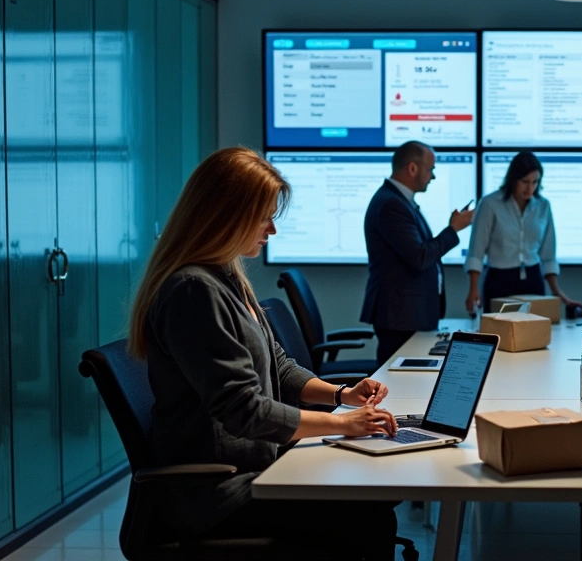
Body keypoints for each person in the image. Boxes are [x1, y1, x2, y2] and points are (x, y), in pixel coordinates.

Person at [128, 146, 400, 558]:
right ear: (225, 217)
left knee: (372, 495)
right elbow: (244, 410)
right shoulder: (194, 292)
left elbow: (280, 365)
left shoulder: (226, 278)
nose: (271, 230)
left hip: (257, 467)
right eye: (263, 217)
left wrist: (341, 396)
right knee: (369, 516)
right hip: (217, 493)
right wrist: (344, 426)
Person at [361, 140, 473, 363]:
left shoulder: (399, 201)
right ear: (412, 168)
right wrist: (453, 229)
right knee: (396, 386)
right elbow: (420, 257)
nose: (433, 176)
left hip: (407, 314)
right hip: (400, 317)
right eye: (430, 169)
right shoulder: (391, 205)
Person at [464, 151, 582, 313]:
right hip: (499, 279)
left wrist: (557, 292)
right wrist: (473, 289)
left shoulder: (543, 206)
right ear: (513, 180)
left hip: (533, 279)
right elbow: (476, 252)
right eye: (525, 181)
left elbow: (548, 256)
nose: (530, 188)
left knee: (533, 333)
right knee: (499, 332)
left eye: (535, 182)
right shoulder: (490, 204)